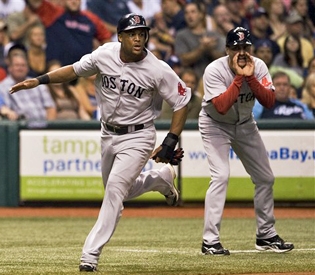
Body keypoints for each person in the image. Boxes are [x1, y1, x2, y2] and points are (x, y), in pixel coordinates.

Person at [9, 13, 191, 272]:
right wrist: (38, 80)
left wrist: (171, 139)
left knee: (116, 189)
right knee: (119, 191)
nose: (138, 38)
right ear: (120, 37)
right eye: (132, 34)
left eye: (142, 33)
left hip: (138, 135)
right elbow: (73, 70)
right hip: (108, 133)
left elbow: (182, 100)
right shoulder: (105, 54)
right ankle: (160, 179)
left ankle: (90, 254)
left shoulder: (157, 69)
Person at [199, 26, 294, 255]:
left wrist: (250, 78)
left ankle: (266, 235)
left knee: (265, 177)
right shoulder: (215, 69)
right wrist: (240, 79)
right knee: (220, 176)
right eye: (236, 48)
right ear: (227, 50)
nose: (241, 52)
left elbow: (269, 101)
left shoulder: (258, 65)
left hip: (245, 124)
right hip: (215, 125)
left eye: (245, 47)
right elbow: (221, 107)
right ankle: (209, 241)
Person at [174, 1, 225, 79]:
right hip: (192, 81)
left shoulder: (214, 35)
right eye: (186, 13)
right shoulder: (181, 35)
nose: (189, 16)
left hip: (213, 78)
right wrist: (201, 48)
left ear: (201, 15)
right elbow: (183, 60)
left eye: (193, 12)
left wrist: (210, 50)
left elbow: (223, 59)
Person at [1, 54, 56, 120]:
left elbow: (50, 107)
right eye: (17, 65)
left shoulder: (38, 83)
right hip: (20, 126)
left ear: (27, 68)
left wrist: (48, 127)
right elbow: (5, 109)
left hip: (43, 126)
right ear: (10, 68)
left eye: (23, 65)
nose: (20, 68)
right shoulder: (2, 87)